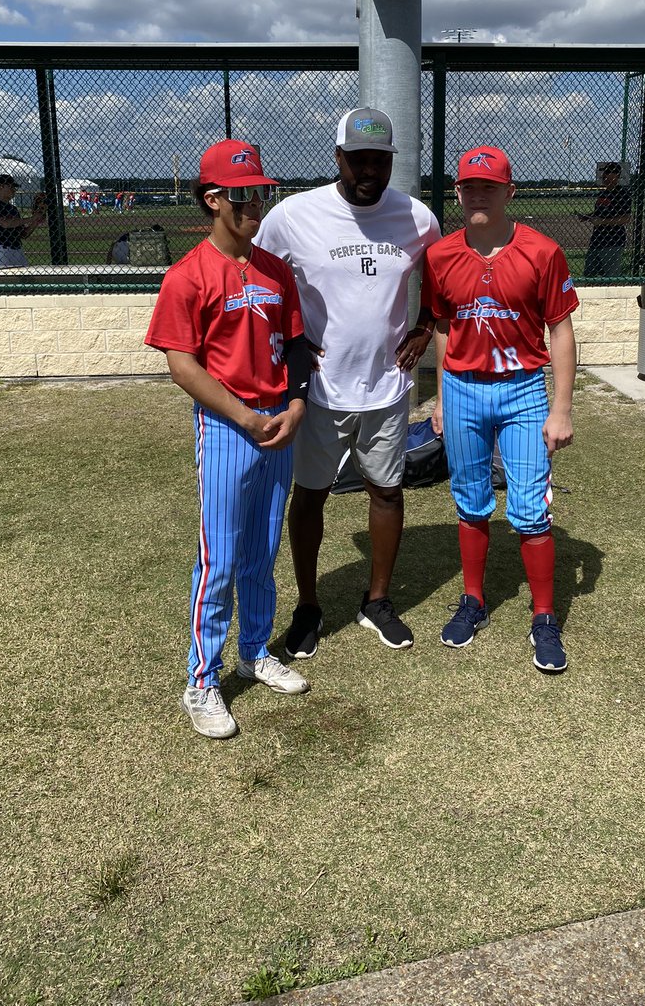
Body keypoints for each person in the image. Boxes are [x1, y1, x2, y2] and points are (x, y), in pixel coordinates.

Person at [144, 139, 314, 740]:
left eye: (263, 192)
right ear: (213, 199)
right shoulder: (187, 275)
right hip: (227, 426)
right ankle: (202, 680)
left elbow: (296, 344)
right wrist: (245, 417)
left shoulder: (273, 268)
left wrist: (295, 404)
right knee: (219, 557)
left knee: (262, 549)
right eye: (244, 195)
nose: (256, 204)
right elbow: (182, 364)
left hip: (279, 422)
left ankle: (253, 650)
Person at [256, 107, 441, 656]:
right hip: (318, 388)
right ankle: (309, 605)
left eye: (379, 162)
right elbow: (258, 277)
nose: (368, 172)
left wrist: (426, 325)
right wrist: (292, 338)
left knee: (388, 489)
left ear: (390, 162)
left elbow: (443, 273)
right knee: (310, 494)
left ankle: (377, 601)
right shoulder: (295, 215)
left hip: (387, 384)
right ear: (337, 158)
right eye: (357, 160)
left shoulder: (417, 217)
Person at [423, 145, 579, 672]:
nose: (478, 194)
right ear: (459, 193)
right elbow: (444, 328)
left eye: (490, 185)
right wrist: (441, 399)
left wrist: (561, 408)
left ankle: (543, 616)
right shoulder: (441, 255)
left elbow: (560, 329)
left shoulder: (542, 251)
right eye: (469, 186)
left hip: (522, 390)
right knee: (469, 501)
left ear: (510, 192)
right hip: (464, 388)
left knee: (531, 510)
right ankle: (474, 600)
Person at [578, 161, 631, 277]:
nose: (604, 176)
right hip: (597, 240)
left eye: (608, 173)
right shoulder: (603, 193)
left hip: (613, 241)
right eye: (604, 173)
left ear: (616, 175)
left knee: (611, 276)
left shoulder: (622, 194)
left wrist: (602, 222)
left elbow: (625, 218)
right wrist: (588, 216)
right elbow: (600, 212)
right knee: (589, 274)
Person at [0, 175, 47, 267]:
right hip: (3, 251)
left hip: (18, 250)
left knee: (26, 279)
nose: (14, 190)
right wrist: (31, 218)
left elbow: (24, 234)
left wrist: (36, 221)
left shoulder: (13, 209)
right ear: (0, 187)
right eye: (11, 187)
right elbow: (5, 223)